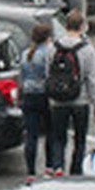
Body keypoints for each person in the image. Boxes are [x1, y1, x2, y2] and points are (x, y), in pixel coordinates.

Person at [46, 10, 95, 177]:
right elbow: (93, 79)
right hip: (80, 100)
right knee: (79, 138)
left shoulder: (53, 48)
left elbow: (48, 73)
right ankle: (75, 170)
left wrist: (51, 95)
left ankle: (58, 166)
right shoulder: (87, 50)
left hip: (58, 101)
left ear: (65, 26)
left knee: (58, 137)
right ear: (83, 27)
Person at [19, 22, 54, 178]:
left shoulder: (26, 54)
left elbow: (21, 77)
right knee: (50, 133)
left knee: (31, 136)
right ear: (47, 38)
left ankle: (31, 172)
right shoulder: (48, 53)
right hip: (44, 96)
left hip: (28, 95)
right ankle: (49, 167)